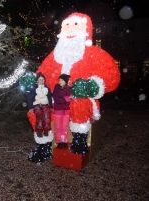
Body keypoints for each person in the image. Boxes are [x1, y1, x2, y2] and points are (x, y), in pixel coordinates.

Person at [34, 12, 120, 154]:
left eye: (75, 25)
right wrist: (34, 80)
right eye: (67, 25)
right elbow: (41, 73)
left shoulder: (95, 54)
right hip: (57, 99)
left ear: (85, 29)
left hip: (81, 99)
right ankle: (44, 146)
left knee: (79, 103)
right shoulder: (54, 55)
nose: (70, 29)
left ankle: (79, 141)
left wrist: (91, 86)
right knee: (38, 109)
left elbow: (112, 76)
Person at [28, 72, 53, 138]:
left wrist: (50, 106)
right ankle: (39, 130)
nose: (41, 81)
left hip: (45, 104)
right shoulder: (34, 88)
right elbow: (30, 98)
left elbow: (49, 98)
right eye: (40, 79)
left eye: (43, 79)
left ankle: (46, 130)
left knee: (46, 116)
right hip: (37, 105)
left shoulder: (47, 88)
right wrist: (30, 107)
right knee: (39, 115)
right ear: (37, 80)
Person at [53, 74, 72, 148]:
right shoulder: (57, 88)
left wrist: (65, 99)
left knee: (65, 127)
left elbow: (72, 98)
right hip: (58, 111)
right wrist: (67, 98)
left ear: (66, 81)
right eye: (59, 80)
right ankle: (59, 142)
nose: (60, 81)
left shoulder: (69, 89)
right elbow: (56, 99)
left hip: (66, 111)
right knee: (58, 127)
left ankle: (64, 141)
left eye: (62, 80)